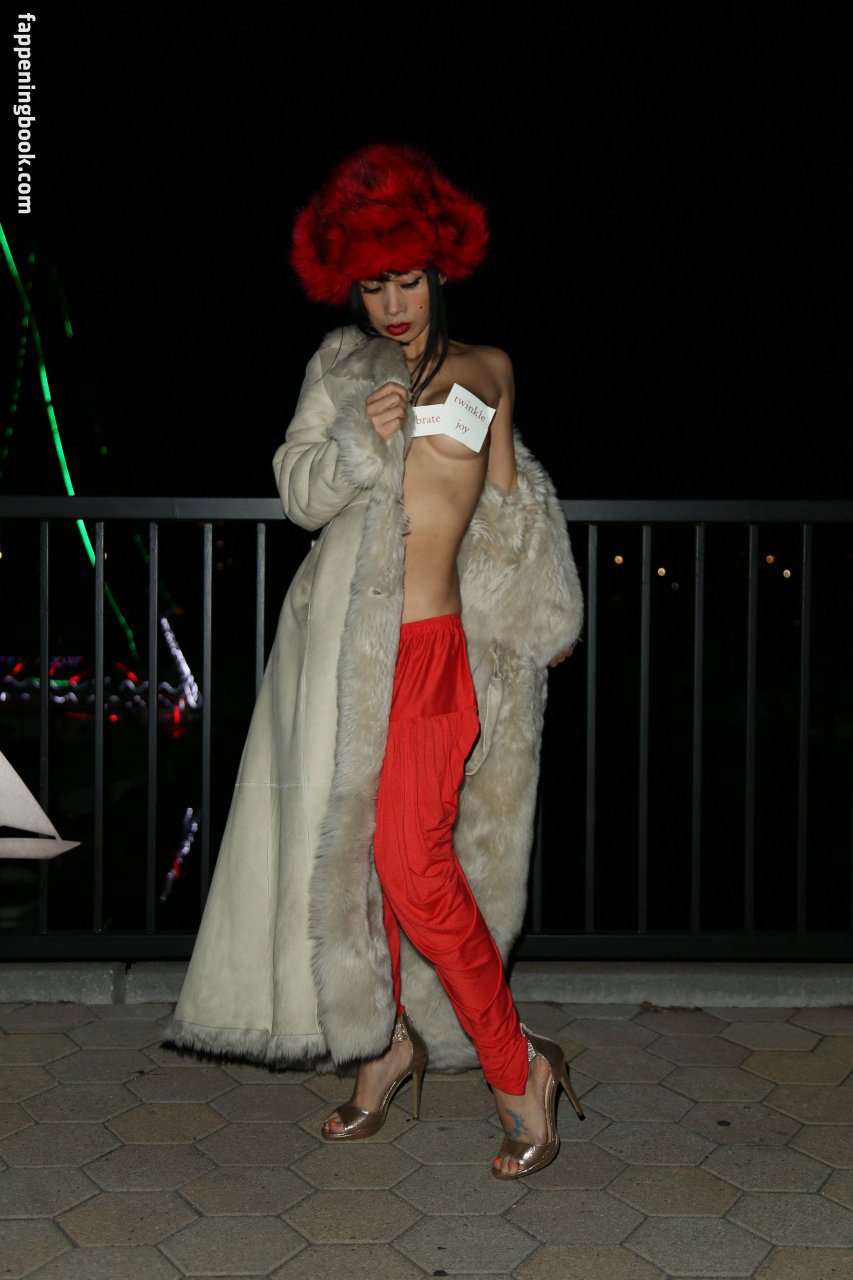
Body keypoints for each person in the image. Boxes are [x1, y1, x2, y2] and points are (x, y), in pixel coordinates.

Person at [166, 143, 585, 1179]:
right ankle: (387, 1050)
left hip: (438, 651)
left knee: (413, 863)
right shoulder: (339, 368)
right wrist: (360, 437)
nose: (390, 305)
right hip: (345, 656)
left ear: (437, 271)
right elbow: (297, 493)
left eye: (405, 280)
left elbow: (511, 511)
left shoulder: (489, 369)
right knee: (359, 862)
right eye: (370, 286)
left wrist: (530, 636)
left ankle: (517, 1067)